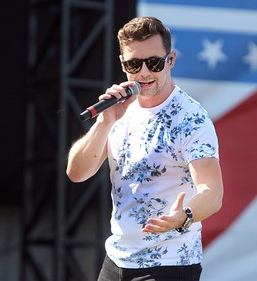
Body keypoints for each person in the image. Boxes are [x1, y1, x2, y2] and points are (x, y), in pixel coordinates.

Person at [66, 16, 224, 281]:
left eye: (154, 63)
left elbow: (212, 192)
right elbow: (77, 172)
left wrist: (183, 217)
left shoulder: (191, 118)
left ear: (170, 60)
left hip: (169, 262)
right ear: (122, 64)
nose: (144, 73)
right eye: (133, 64)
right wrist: (105, 122)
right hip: (117, 259)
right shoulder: (119, 110)